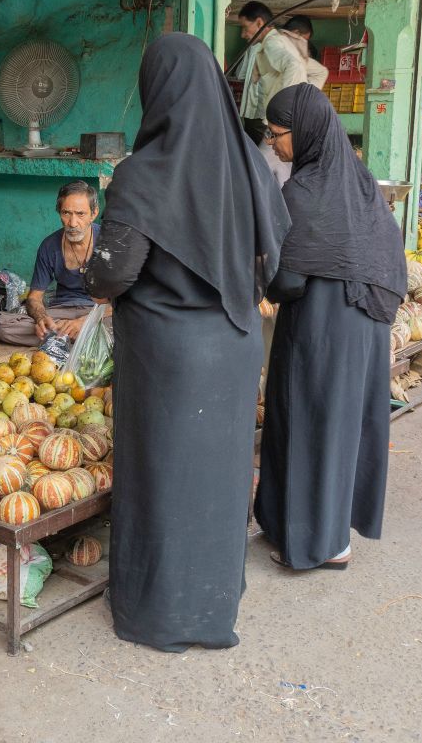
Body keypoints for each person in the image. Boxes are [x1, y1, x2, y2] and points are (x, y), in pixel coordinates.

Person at [84, 34, 291, 651]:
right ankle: (211, 608)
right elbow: (274, 258)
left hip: (168, 357)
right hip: (232, 344)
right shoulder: (250, 162)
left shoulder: (142, 174)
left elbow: (112, 274)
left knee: (161, 478)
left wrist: (94, 271)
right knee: (219, 480)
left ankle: (159, 614)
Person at [254, 84, 407, 571]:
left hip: (322, 328)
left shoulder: (304, 191)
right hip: (364, 328)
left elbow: (288, 280)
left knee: (311, 424)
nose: (275, 144)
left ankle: (321, 544)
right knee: (341, 427)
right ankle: (306, 525)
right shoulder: (359, 182)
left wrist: (263, 279)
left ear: (307, 132)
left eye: (279, 134)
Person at [0, 180, 111, 345]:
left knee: (128, 324)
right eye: (66, 213)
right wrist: (42, 319)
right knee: (2, 325)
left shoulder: (108, 242)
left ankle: (66, 339)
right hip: (61, 312)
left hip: (99, 312)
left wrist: (84, 322)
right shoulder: (49, 246)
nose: (72, 223)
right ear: (59, 212)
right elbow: (34, 298)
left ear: (93, 214)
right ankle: (75, 340)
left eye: (80, 214)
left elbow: (124, 303)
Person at [237, 1, 309, 146]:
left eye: (245, 28)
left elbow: (294, 66)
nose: (243, 34)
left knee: (264, 161)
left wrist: (283, 108)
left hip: (276, 121)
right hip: (279, 120)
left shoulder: (272, 43)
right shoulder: (277, 42)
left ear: (259, 23)